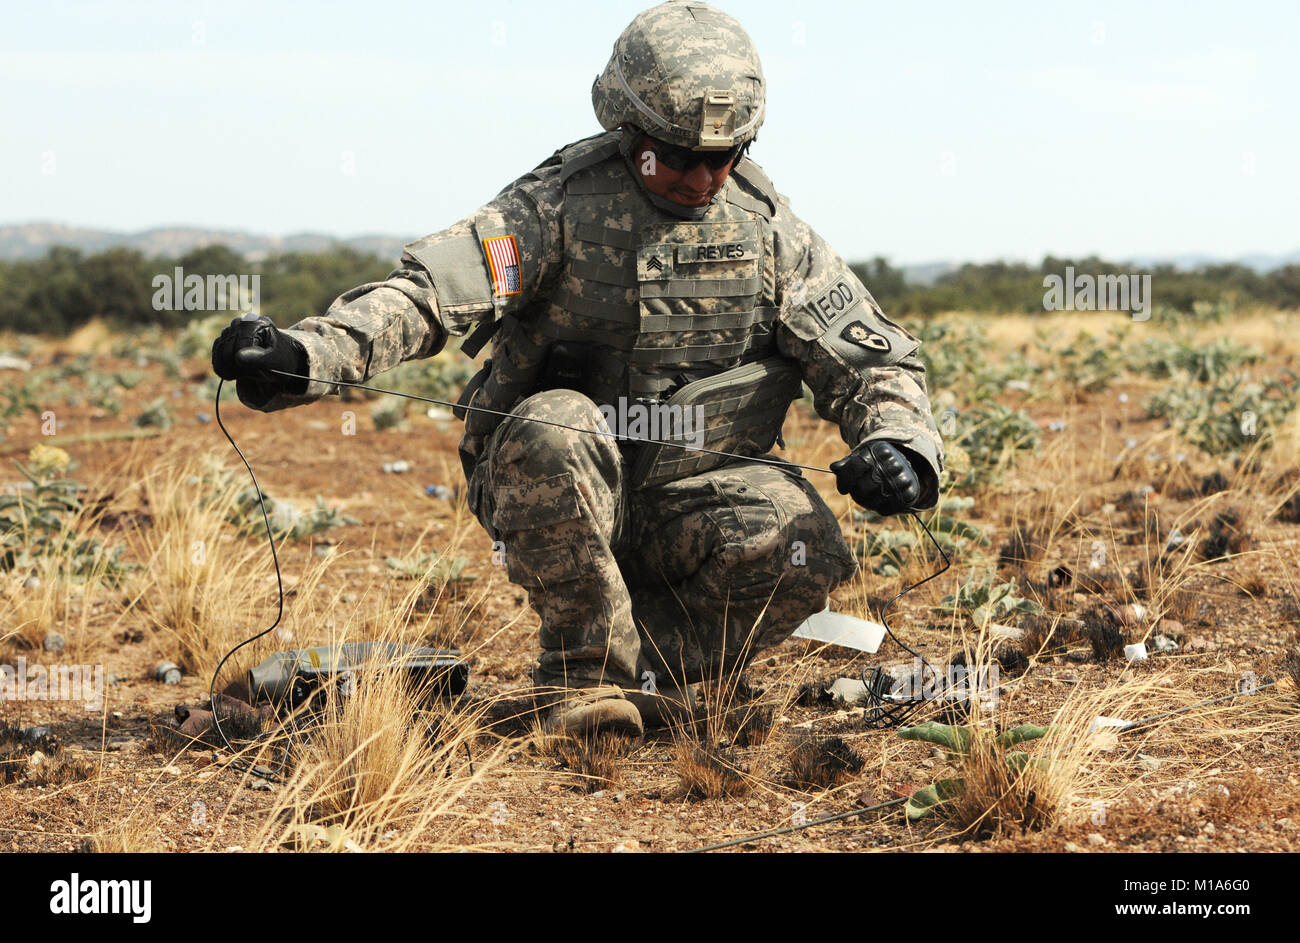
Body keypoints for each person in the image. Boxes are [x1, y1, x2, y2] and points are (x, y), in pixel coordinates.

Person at [212, 0, 944, 738]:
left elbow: (868, 356)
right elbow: (431, 295)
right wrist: (308, 355)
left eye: (725, 156)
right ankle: (585, 680)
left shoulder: (770, 232)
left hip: (690, 497)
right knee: (557, 425)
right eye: (678, 154)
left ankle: (657, 676)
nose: (702, 177)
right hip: (555, 486)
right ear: (626, 131)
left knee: (804, 538)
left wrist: (900, 444)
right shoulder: (555, 208)